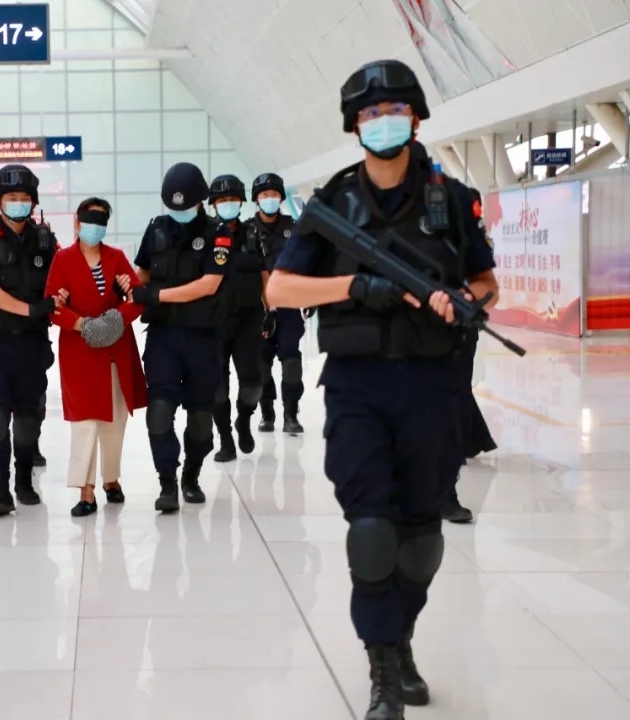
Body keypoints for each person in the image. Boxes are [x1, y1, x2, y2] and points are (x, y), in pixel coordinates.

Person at [265, 59, 498, 720]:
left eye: (394, 110)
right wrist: (355, 287)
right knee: (371, 530)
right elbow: (278, 289)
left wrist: (465, 301)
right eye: (370, 114)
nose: (383, 122)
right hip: (358, 387)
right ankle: (382, 672)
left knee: (421, 535)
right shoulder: (332, 204)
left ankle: (400, 640)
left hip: (432, 385)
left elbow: (486, 282)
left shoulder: (450, 199)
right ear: (353, 126)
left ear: (416, 117)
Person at [132, 162, 231, 512]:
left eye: (185, 206)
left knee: (200, 415)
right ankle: (167, 482)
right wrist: (130, 290)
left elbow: (209, 284)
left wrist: (157, 295)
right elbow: (142, 272)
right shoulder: (156, 229)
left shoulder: (219, 233)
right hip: (163, 337)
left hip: (203, 337)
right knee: (159, 410)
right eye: (173, 206)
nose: (179, 211)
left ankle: (192, 475)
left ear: (201, 200)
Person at [43, 197, 148, 516]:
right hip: (80, 351)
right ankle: (85, 490)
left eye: (101, 221)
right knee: (84, 421)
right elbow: (52, 305)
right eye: (89, 220)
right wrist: (82, 324)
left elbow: (138, 297)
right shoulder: (63, 259)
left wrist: (116, 319)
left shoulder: (117, 258)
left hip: (116, 348)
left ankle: (111, 479)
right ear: (77, 223)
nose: (94, 227)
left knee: (114, 419)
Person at [0, 164, 63, 515]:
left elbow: (63, 279)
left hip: (33, 343)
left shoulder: (46, 241)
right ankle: (0, 490)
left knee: (28, 413)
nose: (18, 203)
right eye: (11, 197)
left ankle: (24, 482)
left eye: (24, 198)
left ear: (34, 202)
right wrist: (31, 309)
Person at [443, 188, 498, 523]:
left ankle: (448, 486)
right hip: (418, 331)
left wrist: (468, 299)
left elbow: (487, 287)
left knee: (455, 392)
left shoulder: (473, 242)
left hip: (462, 327)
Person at [205, 174, 267, 462]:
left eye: (232, 199)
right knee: (217, 387)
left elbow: (265, 277)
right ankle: (226, 439)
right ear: (213, 204)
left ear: (241, 202)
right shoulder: (206, 236)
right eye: (222, 200)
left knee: (253, 383)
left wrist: (272, 311)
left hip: (249, 320)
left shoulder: (253, 235)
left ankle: (244, 419)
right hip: (214, 322)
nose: (227, 204)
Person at [249, 172, 305, 434]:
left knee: (291, 360)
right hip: (258, 309)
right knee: (262, 363)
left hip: (289, 306)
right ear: (256, 199)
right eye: (264, 195)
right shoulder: (247, 231)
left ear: (281, 197)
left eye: (274, 194)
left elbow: (307, 262)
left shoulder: (295, 228)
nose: (269, 199)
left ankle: (291, 413)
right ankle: (267, 413)